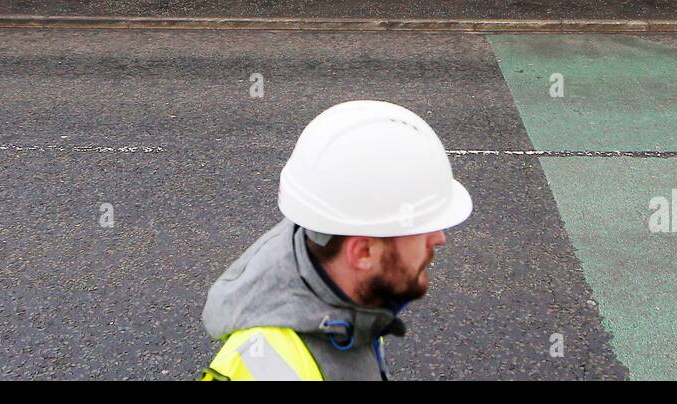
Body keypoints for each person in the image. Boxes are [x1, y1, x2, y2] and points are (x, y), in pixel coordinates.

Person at [200, 101, 473, 381]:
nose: (439, 238)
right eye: (422, 229)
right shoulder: (267, 368)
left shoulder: (348, 294)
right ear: (363, 252)